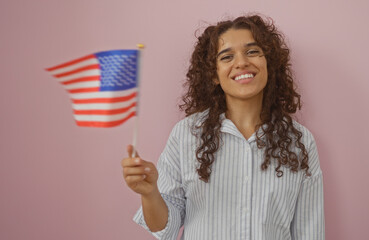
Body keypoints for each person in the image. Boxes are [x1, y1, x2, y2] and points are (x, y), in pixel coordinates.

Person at [121, 14, 324, 240]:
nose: (241, 62)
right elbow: (164, 230)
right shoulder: (186, 134)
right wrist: (149, 194)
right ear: (214, 74)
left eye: (252, 51)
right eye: (227, 57)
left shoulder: (301, 141)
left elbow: (310, 232)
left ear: (269, 63)